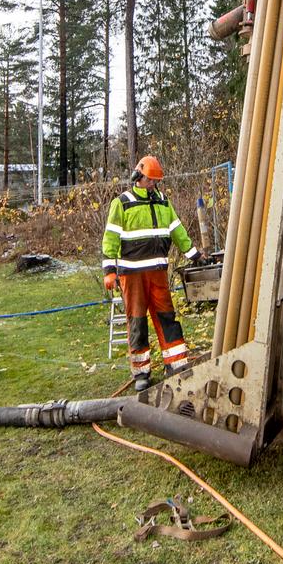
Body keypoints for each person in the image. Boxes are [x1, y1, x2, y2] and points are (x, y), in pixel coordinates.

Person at [102, 155, 201, 392]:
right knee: (137, 322)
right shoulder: (122, 203)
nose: (152, 184)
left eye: (155, 181)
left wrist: (194, 254)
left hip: (157, 272)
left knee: (167, 316)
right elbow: (111, 237)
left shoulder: (163, 202)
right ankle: (141, 373)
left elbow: (177, 230)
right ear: (138, 176)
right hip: (132, 274)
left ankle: (176, 363)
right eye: (149, 180)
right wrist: (109, 270)